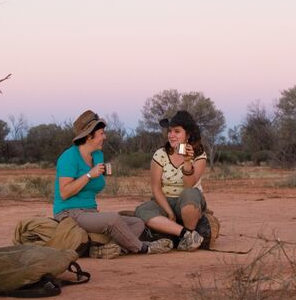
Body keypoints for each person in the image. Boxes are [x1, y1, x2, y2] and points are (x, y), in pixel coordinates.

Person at [54, 110, 173, 258]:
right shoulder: (69, 157)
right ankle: (143, 248)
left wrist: (96, 174)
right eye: (101, 133)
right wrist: (89, 175)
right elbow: (64, 193)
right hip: (70, 212)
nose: (105, 137)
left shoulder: (98, 155)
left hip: (90, 211)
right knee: (113, 219)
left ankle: (108, 249)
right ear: (89, 136)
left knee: (137, 223)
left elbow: (95, 183)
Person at [135, 110, 208, 251]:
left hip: (187, 201)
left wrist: (187, 161)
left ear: (188, 135)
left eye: (177, 131)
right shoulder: (160, 154)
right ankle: (187, 235)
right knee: (142, 210)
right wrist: (170, 212)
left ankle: (183, 232)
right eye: (170, 131)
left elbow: (189, 185)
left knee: (190, 193)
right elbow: (156, 188)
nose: (171, 135)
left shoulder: (199, 155)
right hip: (165, 201)